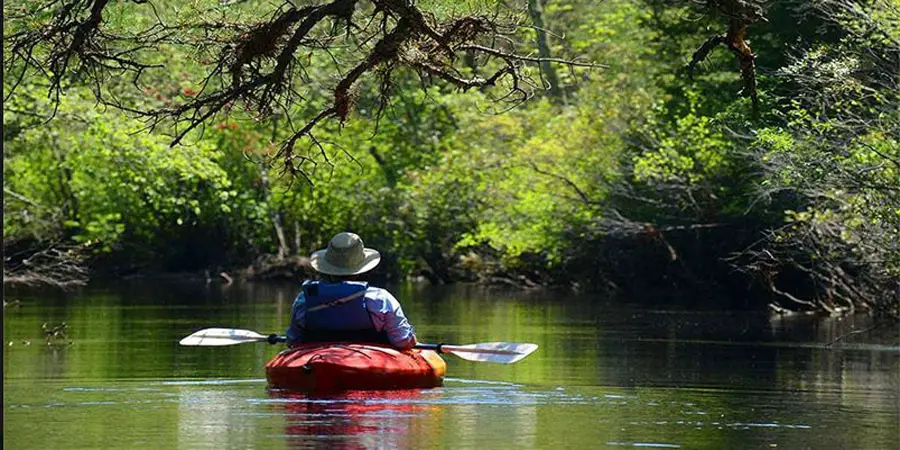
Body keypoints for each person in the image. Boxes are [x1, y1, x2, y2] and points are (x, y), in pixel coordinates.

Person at [286, 232, 418, 350]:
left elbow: (293, 340)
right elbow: (403, 341)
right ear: (361, 268)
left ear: (327, 266)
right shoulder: (380, 299)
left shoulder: (304, 299)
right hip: (368, 362)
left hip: (315, 360)